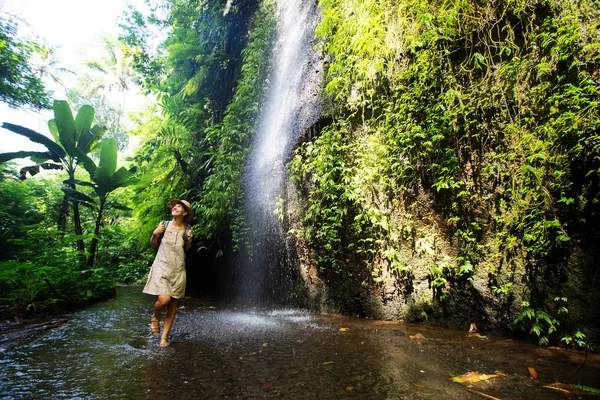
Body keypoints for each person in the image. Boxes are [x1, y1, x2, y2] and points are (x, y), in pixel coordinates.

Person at [143, 199, 194, 347]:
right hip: (162, 267)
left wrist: (189, 241)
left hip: (178, 270)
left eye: (179, 206)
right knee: (164, 300)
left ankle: (164, 337)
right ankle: (156, 316)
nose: (175, 207)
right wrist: (154, 234)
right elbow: (153, 245)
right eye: (175, 206)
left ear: (184, 213)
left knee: (172, 304)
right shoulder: (163, 225)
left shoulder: (187, 229)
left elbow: (186, 249)